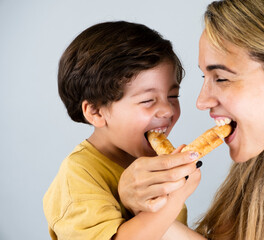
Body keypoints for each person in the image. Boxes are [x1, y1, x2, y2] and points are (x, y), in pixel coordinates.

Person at [120, 0, 264, 239]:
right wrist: (146, 208)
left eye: (221, 78)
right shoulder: (261, 164)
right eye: (206, 76)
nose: (201, 102)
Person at [43, 20, 201, 240]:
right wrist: (174, 198)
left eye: (173, 96)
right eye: (147, 100)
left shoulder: (156, 165)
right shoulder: (79, 175)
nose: (167, 109)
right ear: (97, 112)